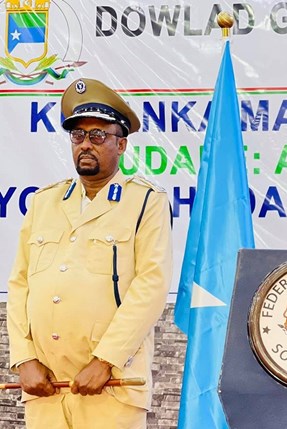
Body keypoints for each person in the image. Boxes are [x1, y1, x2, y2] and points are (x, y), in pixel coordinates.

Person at [7, 78, 173, 428]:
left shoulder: (145, 202)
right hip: (46, 388)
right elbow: (19, 285)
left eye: (98, 135)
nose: (85, 144)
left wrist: (106, 360)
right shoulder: (44, 202)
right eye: (78, 135)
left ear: (121, 144)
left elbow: (151, 286)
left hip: (110, 387)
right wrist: (24, 359)